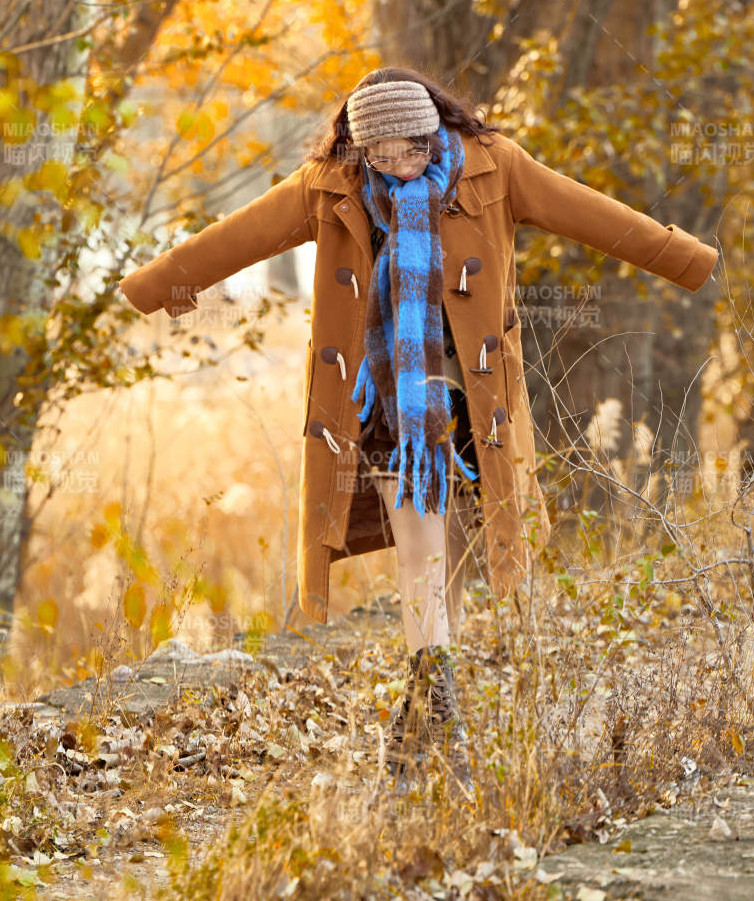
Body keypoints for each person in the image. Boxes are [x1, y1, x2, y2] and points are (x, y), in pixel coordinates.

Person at [115, 67, 719, 797]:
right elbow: (237, 237)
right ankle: (448, 723)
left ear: (434, 132)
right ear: (358, 145)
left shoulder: (496, 167)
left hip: (476, 400)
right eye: (383, 154)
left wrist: (687, 260)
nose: (399, 164)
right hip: (385, 403)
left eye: (411, 148)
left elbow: (592, 213)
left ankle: (413, 741)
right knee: (423, 552)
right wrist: (154, 287)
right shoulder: (329, 186)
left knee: (458, 558)